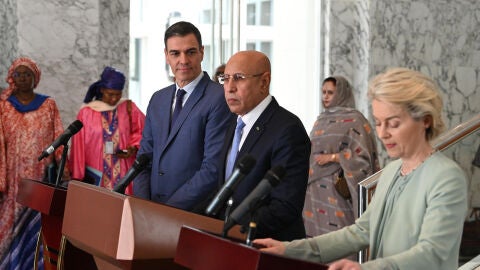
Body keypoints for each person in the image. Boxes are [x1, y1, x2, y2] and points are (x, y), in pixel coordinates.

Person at [254, 68, 468, 270]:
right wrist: (290, 250)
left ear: (426, 121)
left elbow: (432, 253)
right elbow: (360, 231)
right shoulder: (392, 171)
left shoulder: (446, 177)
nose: (383, 133)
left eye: (393, 124)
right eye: (378, 122)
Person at [133, 21, 231, 211]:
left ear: (202, 52)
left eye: (191, 52)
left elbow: (212, 168)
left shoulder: (219, 97)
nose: (183, 60)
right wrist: (144, 205)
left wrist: (168, 210)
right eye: (175, 53)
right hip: (151, 212)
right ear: (166, 56)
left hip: (192, 214)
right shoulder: (158, 99)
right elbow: (144, 159)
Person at [214, 50, 311, 241]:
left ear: (264, 82)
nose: (229, 87)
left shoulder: (288, 129)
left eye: (239, 78)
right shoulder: (234, 123)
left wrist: (231, 227)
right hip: (231, 245)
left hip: (268, 250)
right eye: (225, 78)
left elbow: (284, 206)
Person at [0, 57, 69, 269]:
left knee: (37, 220)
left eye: (27, 74)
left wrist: (64, 168)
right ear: (12, 78)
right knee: (11, 220)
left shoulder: (48, 105)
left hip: (40, 175)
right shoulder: (4, 106)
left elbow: (59, 135)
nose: (22, 78)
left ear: (35, 78)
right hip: (13, 176)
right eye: (18, 74)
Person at [303, 76, 379, 237]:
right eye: (323, 92)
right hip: (313, 190)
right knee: (315, 241)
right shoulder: (321, 120)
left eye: (330, 92)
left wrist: (333, 157)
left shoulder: (355, 120)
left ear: (342, 94)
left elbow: (363, 158)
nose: (325, 96)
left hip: (337, 189)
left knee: (340, 236)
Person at [69, 66, 145, 194]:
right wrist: (78, 177)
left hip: (124, 175)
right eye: (110, 94)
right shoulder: (86, 113)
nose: (114, 99)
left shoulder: (129, 108)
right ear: (102, 90)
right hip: (95, 175)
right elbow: (78, 147)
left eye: (118, 94)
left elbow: (144, 131)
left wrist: (133, 147)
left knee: (124, 210)